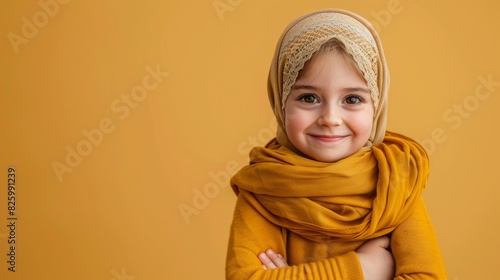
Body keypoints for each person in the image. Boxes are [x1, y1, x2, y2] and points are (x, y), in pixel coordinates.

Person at [226, 8, 447, 280]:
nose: (330, 119)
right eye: (309, 98)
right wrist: (364, 268)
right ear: (281, 102)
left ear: (376, 107)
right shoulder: (264, 186)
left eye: (352, 99)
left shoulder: (396, 181)